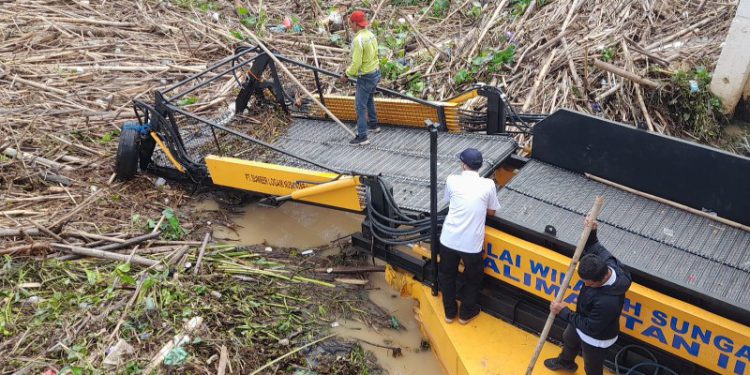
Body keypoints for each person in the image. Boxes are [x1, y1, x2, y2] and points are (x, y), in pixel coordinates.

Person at [545, 217, 632, 375]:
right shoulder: (605, 263)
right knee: (569, 338)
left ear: (600, 280)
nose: (584, 285)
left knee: (592, 367)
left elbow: (591, 328)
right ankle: (566, 362)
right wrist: (591, 231)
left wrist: (564, 312)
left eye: (587, 283)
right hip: (582, 317)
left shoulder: (608, 302)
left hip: (597, 338)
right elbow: (594, 245)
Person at [439, 148, 500, 325]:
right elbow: (492, 212)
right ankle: (466, 314)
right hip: (471, 244)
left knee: (447, 276)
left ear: (463, 164)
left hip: (449, 239)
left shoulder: (452, 180)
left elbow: (450, 200)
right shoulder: (488, 185)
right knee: (473, 278)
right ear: (479, 166)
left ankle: (449, 313)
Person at [338, 10, 380, 146]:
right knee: (369, 99)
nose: (350, 26)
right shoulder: (371, 35)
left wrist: (346, 74)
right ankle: (373, 125)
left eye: (351, 24)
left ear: (355, 24)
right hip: (375, 73)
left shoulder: (358, 40)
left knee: (360, 106)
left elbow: (356, 63)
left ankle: (362, 136)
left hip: (366, 76)